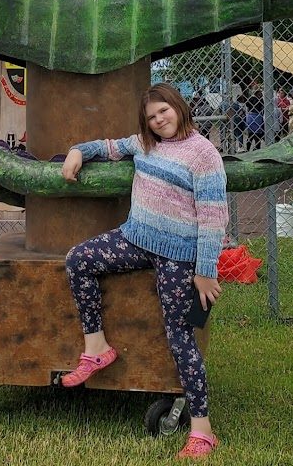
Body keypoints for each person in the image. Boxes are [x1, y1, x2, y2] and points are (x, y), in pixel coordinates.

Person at [60, 83, 227, 459]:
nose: (158, 120)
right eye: (151, 117)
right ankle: (97, 348)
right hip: (135, 239)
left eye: (163, 111)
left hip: (179, 257)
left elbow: (215, 218)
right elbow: (108, 147)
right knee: (78, 260)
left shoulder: (203, 154)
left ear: (179, 107)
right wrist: (76, 152)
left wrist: (204, 270)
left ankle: (202, 428)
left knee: (179, 335)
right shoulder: (145, 143)